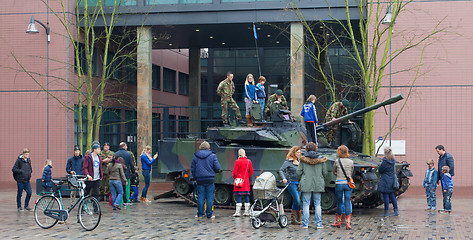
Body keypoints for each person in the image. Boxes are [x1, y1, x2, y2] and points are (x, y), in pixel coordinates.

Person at [297, 142, 327, 229]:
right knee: (318, 204)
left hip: (306, 183)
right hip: (318, 183)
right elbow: (325, 173)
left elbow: (298, 173)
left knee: (306, 204)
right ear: (315, 149)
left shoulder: (303, 160)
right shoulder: (321, 160)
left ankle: (305, 224)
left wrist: (301, 178)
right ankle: (318, 224)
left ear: (306, 149)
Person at [191, 141, 221, 219]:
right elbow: (218, 168)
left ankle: (200, 214)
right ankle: (209, 214)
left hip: (200, 179)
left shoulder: (195, 156)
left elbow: (193, 169)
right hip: (210, 179)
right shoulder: (212, 155)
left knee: (200, 197)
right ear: (208, 147)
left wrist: (195, 178)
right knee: (209, 197)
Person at [331, 145, 354, 230]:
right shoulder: (351, 161)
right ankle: (348, 223)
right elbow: (351, 172)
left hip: (339, 183)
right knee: (347, 201)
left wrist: (338, 175)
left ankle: (338, 222)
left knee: (340, 202)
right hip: (348, 184)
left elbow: (334, 171)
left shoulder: (337, 161)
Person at [279, 146, 302, 225]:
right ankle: (296, 216)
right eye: (297, 152)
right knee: (297, 200)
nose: (299, 154)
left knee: (297, 200)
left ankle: (295, 218)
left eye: (300, 152)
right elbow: (281, 170)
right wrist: (284, 178)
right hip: (291, 183)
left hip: (299, 183)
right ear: (294, 153)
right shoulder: (289, 161)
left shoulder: (300, 161)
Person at [377, 146, 399, 217]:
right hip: (392, 180)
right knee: (392, 196)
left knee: (385, 196)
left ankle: (386, 213)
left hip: (385, 180)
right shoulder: (393, 161)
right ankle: (396, 211)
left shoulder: (385, 162)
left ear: (385, 152)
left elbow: (380, 170)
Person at [232, 148, 254, 217]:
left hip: (239, 181)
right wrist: (247, 177)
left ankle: (238, 212)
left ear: (239, 154)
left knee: (239, 196)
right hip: (246, 181)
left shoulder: (237, 161)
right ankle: (247, 212)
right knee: (246, 196)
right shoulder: (248, 161)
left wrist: (236, 178)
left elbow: (234, 173)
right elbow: (251, 171)